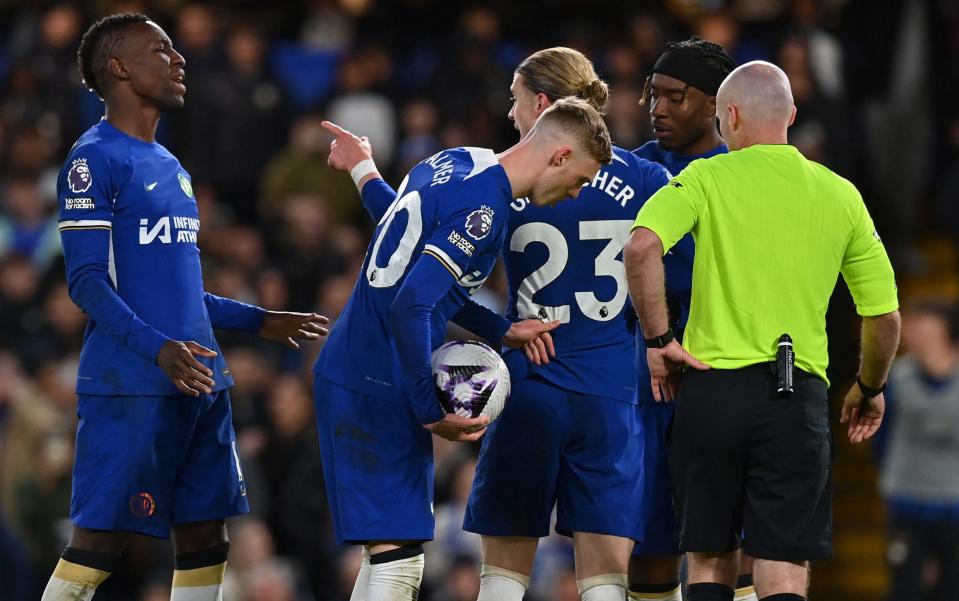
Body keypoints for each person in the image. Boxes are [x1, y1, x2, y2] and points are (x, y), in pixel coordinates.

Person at [324, 46, 671, 601]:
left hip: (527, 383)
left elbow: (417, 238)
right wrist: (662, 341)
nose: (510, 115)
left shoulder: (496, 181)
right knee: (606, 577)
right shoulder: (643, 177)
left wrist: (366, 172)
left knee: (500, 575)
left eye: (514, 101)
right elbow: (674, 269)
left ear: (540, 105)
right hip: (609, 391)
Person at [43, 13, 329, 601]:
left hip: (201, 379)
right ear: (118, 66)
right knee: (98, 545)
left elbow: (175, 292)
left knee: (205, 539)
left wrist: (258, 320)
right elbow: (88, 284)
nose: (178, 61)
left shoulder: (172, 167)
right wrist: (158, 351)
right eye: (161, 51)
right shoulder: (91, 158)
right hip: (133, 383)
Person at [624, 61, 901, 601]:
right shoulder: (839, 193)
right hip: (794, 394)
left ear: (728, 116)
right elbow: (884, 317)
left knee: (707, 559)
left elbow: (641, 247)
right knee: (781, 562)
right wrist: (868, 387)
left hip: (710, 391)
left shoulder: (704, 177)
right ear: (792, 115)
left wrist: (660, 344)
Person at [629, 37, 758, 601]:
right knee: (652, 542)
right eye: (654, 95)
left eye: (675, 97)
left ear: (715, 106)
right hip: (647, 377)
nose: (658, 108)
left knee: (740, 542)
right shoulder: (628, 170)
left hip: (724, 369)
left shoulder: (749, 176)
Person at [877, 299, 959, 601]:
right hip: (906, 502)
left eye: (923, 326)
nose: (913, 334)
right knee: (905, 589)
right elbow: (881, 439)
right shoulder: (896, 376)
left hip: (954, 504)